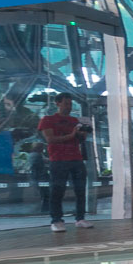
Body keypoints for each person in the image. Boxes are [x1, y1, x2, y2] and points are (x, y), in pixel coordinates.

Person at [37, 93, 92, 232]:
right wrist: (71, 135)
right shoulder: (48, 120)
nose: (69, 106)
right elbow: (50, 139)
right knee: (57, 190)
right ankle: (56, 220)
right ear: (58, 103)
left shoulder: (75, 120)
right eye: (66, 103)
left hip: (76, 158)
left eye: (70, 104)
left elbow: (81, 139)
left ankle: (80, 218)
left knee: (80, 190)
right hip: (58, 159)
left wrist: (82, 133)